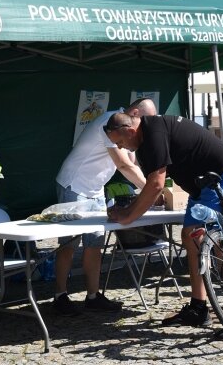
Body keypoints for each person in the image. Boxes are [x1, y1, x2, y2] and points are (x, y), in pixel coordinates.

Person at [104, 113, 223, 327]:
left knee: (216, 239)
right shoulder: (144, 138)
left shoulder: (154, 131)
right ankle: (199, 307)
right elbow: (151, 186)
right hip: (202, 185)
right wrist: (128, 211)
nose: (122, 148)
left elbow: (155, 184)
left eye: (121, 142)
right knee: (189, 236)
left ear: (131, 130)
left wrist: (128, 216)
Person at [52, 98, 157, 316]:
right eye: (145, 121)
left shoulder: (127, 127)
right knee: (69, 244)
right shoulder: (110, 121)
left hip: (95, 188)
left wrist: (154, 184)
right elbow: (124, 165)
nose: (145, 127)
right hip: (75, 184)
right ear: (135, 113)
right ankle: (59, 296)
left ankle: (92, 296)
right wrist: (151, 191)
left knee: (95, 244)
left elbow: (134, 162)